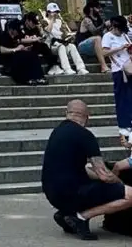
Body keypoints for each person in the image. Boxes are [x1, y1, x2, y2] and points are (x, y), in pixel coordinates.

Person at [42, 98, 132, 239]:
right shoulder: (85, 135)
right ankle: (81, 217)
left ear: (66, 113)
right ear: (87, 117)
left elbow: (81, 169)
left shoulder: (57, 132)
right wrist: (121, 184)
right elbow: (104, 175)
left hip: (52, 194)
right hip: (73, 193)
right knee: (130, 195)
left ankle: (66, 213)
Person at [102, 15, 132, 141]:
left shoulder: (124, 35)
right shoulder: (108, 36)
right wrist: (119, 48)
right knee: (121, 98)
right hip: (119, 70)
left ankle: (129, 122)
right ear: (114, 27)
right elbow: (104, 52)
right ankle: (123, 125)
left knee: (130, 97)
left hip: (129, 67)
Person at [0, 18, 46, 85]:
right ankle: (26, 79)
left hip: (18, 54)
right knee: (20, 58)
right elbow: (1, 50)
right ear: (11, 29)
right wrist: (16, 49)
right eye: (17, 30)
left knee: (33, 55)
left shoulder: (16, 37)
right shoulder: (4, 36)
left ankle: (39, 77)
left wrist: (24, 49)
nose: (18, 32)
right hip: (9, 59)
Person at [44, 2, 89, 76]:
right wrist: (52, 19)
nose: (56, 13)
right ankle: (66, 69)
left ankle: (81, 68)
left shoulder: (59, 21)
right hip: (51, 46)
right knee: (61, 47)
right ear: (48, 12)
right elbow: (48, 30)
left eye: (57, 12)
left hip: (61, 43)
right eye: (54, 12)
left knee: (72, 46)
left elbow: (63, 35)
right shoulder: (45, 21)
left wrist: (67, 35)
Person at [76, 1, 109, 73]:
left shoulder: (100, 19)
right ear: (91, 9)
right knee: (97, 38)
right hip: (82, 45)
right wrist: (105, 25)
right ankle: (103, 67)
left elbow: (104, 33)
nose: (100, 10)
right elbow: (94, 32)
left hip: (96, 46)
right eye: (97, 8)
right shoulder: (86, 20)